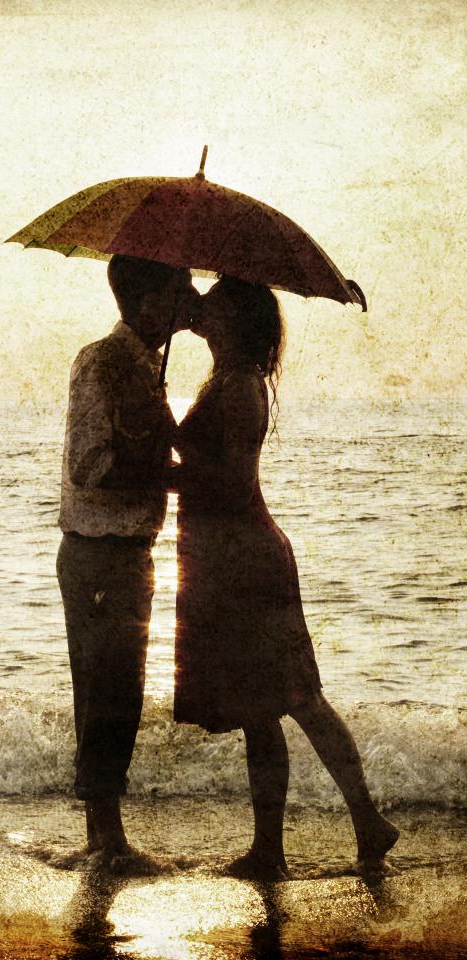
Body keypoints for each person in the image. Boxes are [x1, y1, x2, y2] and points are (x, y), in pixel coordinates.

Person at [170, 275, 399, 879]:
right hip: (229, 561)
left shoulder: (240, 387)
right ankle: (274, 847)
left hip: (247, 563)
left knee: (299, 699)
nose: (204, 306)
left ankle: (363, 822)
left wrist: (163, 462)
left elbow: (233, 485)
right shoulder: (225, 378)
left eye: (216, 301)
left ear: (236, 320)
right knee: (262, 710)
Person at [56, 253, 198, 869]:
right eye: (178, 289)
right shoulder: (103, 361)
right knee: (107, 691)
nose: (187, 298)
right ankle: (106, 838)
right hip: (100, 549)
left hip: (124, 551)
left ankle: (103, 834)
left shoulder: (143, 367)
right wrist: (171, 476)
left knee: (117, 689)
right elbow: (89, 465)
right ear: (147, 300)